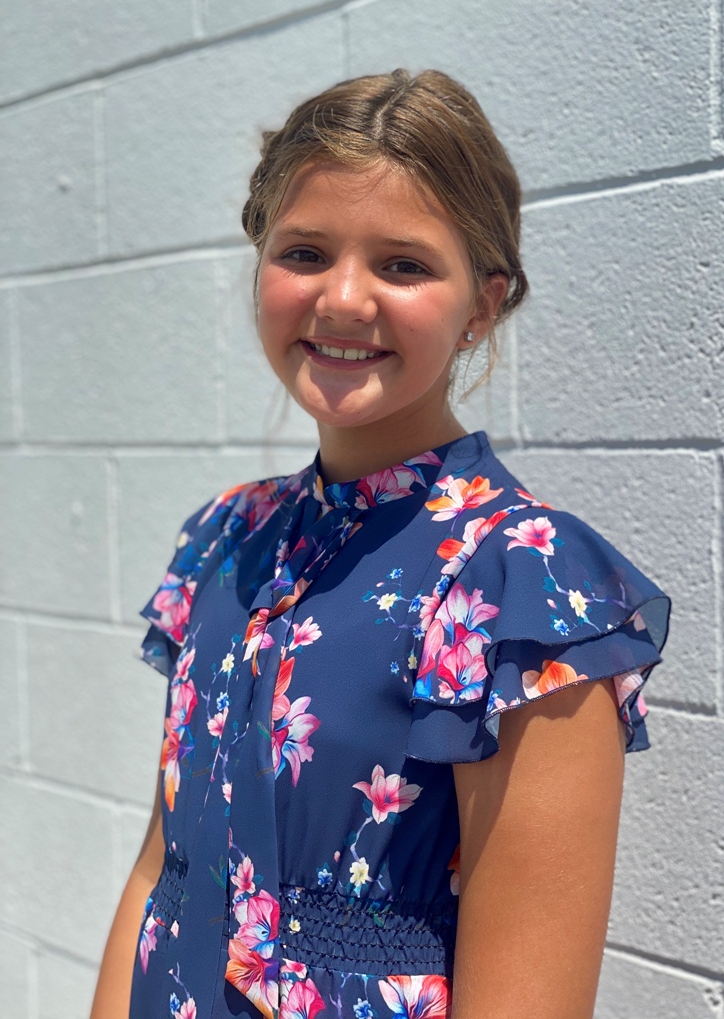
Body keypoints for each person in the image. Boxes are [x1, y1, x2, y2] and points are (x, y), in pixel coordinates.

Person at [90, 69, 670, 1019]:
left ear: (483, 303)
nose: (344, 299)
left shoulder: (523, 587)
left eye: (403, 265)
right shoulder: (225, 540)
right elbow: (165, 864)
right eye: (305, 252)